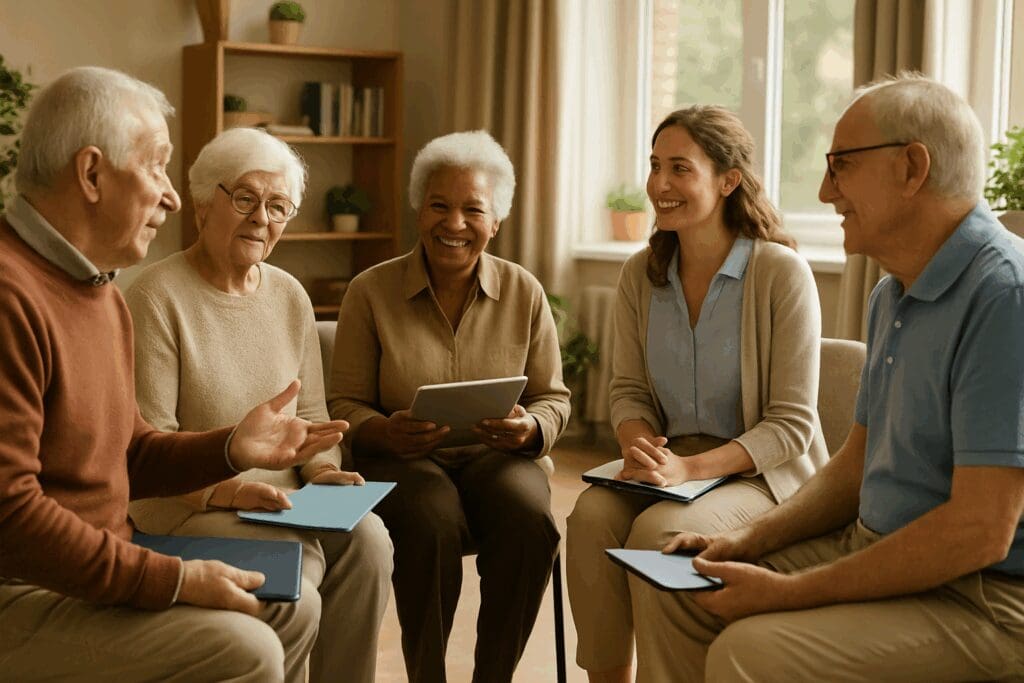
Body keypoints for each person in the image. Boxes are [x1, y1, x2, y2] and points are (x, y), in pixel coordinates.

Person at [640, 73, 1024, 682]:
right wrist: (746, 541)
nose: (824, 191)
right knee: (683, 587)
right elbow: (854, 466)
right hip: (873, 545)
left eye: (841, 165)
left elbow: (979, 533)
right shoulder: (891, 293)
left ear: (911, 167)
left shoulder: (1005, 295)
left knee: (751, 650)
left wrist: (791, 592)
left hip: (984, 597)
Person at [0, 67, 350, 682]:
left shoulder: (99, 292)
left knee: (288, 609)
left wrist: (232, 447)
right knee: (249, 649)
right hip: (24, 587)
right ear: (91, 174)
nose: (173, 197)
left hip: (99, 564)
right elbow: (10, 517)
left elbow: (129, 452)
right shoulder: (11, 295)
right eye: (156, 167)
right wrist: (170, 578)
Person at [565, 105, 827, 682]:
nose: (660, 184)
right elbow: (629, 390)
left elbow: (791, 426)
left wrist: (689, 469)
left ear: (728, 181)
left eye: (680, 168)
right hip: (673, 464)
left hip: (763, 477)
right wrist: (640, 447)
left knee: (657, 536)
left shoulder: (781, 274)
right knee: (589, 518)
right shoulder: (640, 275)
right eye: (655, 165)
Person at [124, 126, 393, 683]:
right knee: (301, 566)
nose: (261, 219)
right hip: (190, 506)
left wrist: (323, 473)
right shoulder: (155, 297)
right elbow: (151, 448)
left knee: (370, 541)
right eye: (245, 198)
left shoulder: (290, 295)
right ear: (204, 203)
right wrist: (228, 489)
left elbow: (311, 416)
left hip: (286, 500)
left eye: (278, 207)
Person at [327, 130, 571, 683]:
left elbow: (553, 397)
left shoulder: (525, 292)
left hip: (498, 457)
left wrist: (531, 428)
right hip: (404, 460)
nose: (454, 223)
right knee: (430, 520)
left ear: (495, 221)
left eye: (473, 210)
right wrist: (385, 431)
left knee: (530, 521)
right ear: (419, 210)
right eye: (439, 205)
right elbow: (344, 403)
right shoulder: (370, 291)